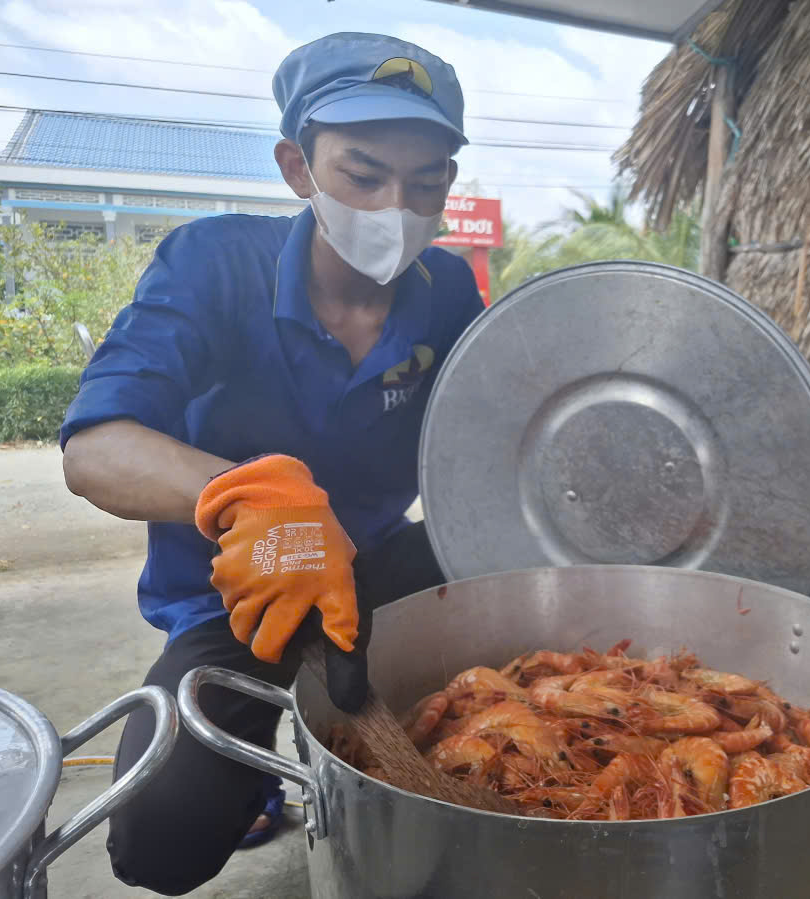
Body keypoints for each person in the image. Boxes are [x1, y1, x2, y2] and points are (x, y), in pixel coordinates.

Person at [58, 32, 484, 895]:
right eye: (364, 175)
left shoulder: (448, 290)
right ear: (298, 166)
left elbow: (491, 437)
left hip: (371, 567)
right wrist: (247, 497)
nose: (397, 207)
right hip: (236, 593)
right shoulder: (212, 264)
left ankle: (354, 733)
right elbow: (95, 447)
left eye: (426, 183)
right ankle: (260, 770)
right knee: (160, 841)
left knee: (521, 601)